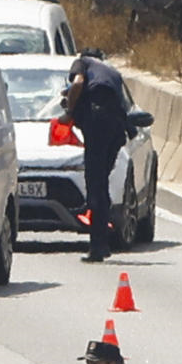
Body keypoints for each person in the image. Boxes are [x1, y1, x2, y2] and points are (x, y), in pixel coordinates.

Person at [61, 49, 130, 262]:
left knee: (95, 185)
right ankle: (103, 241)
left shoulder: (82, 63)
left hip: (98, 123)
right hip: (117, 129)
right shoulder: (111, 72)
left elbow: (78, 83)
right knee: (101, 184)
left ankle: (98, 246)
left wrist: (69, 112)